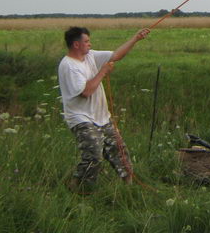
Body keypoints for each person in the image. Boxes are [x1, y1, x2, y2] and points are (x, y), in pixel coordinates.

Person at [59, 26, 150, 192]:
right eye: (86, 41)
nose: (89, 44)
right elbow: (86, 92)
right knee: (93, 154)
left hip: (102, 117)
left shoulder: (90, 56)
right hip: (81, 118)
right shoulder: (69, 66)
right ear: (76, 45)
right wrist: (103, 72)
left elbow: (116, 55)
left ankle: (128, 187)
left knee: (119, 150)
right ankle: (78, 188)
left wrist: (136, 38)